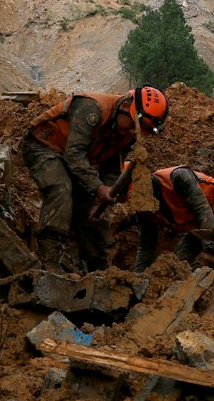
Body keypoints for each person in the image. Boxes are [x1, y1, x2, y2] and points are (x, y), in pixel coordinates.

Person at [21, 85, 168, 272]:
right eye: (135, 126)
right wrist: (99, 188)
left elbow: (111, 166)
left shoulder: (128, 130)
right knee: (61, 189)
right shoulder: (93, 108)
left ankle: (98, 268)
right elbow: (74, 156)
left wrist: (104, 195)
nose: (133, 133)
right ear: (126, 108)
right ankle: (49, 260)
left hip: (73, 157)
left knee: (91, 209)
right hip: (43, 145)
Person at [130, 165, 214, 275]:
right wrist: (136, 277)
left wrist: (209, 248)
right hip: (197, 224)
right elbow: (146, 245)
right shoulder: (144, 210)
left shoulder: (178, 177)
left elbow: (203, 210)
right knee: (178, 266)